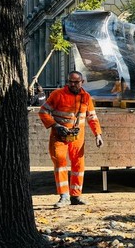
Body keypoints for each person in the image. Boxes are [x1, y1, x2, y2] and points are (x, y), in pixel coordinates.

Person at [39, 70, 104, 208]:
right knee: (60, 162)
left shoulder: (86, 97)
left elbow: (92, 117)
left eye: (76, 82)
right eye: (70, 82)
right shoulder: (58, 94)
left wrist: (98, 134)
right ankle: (64, 196)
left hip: (77, 137)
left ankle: (76, 195)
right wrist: (56, 126)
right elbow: (43, 111)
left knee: (78, 165)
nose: (73, 84)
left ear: (82, 82)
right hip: (59, 136)